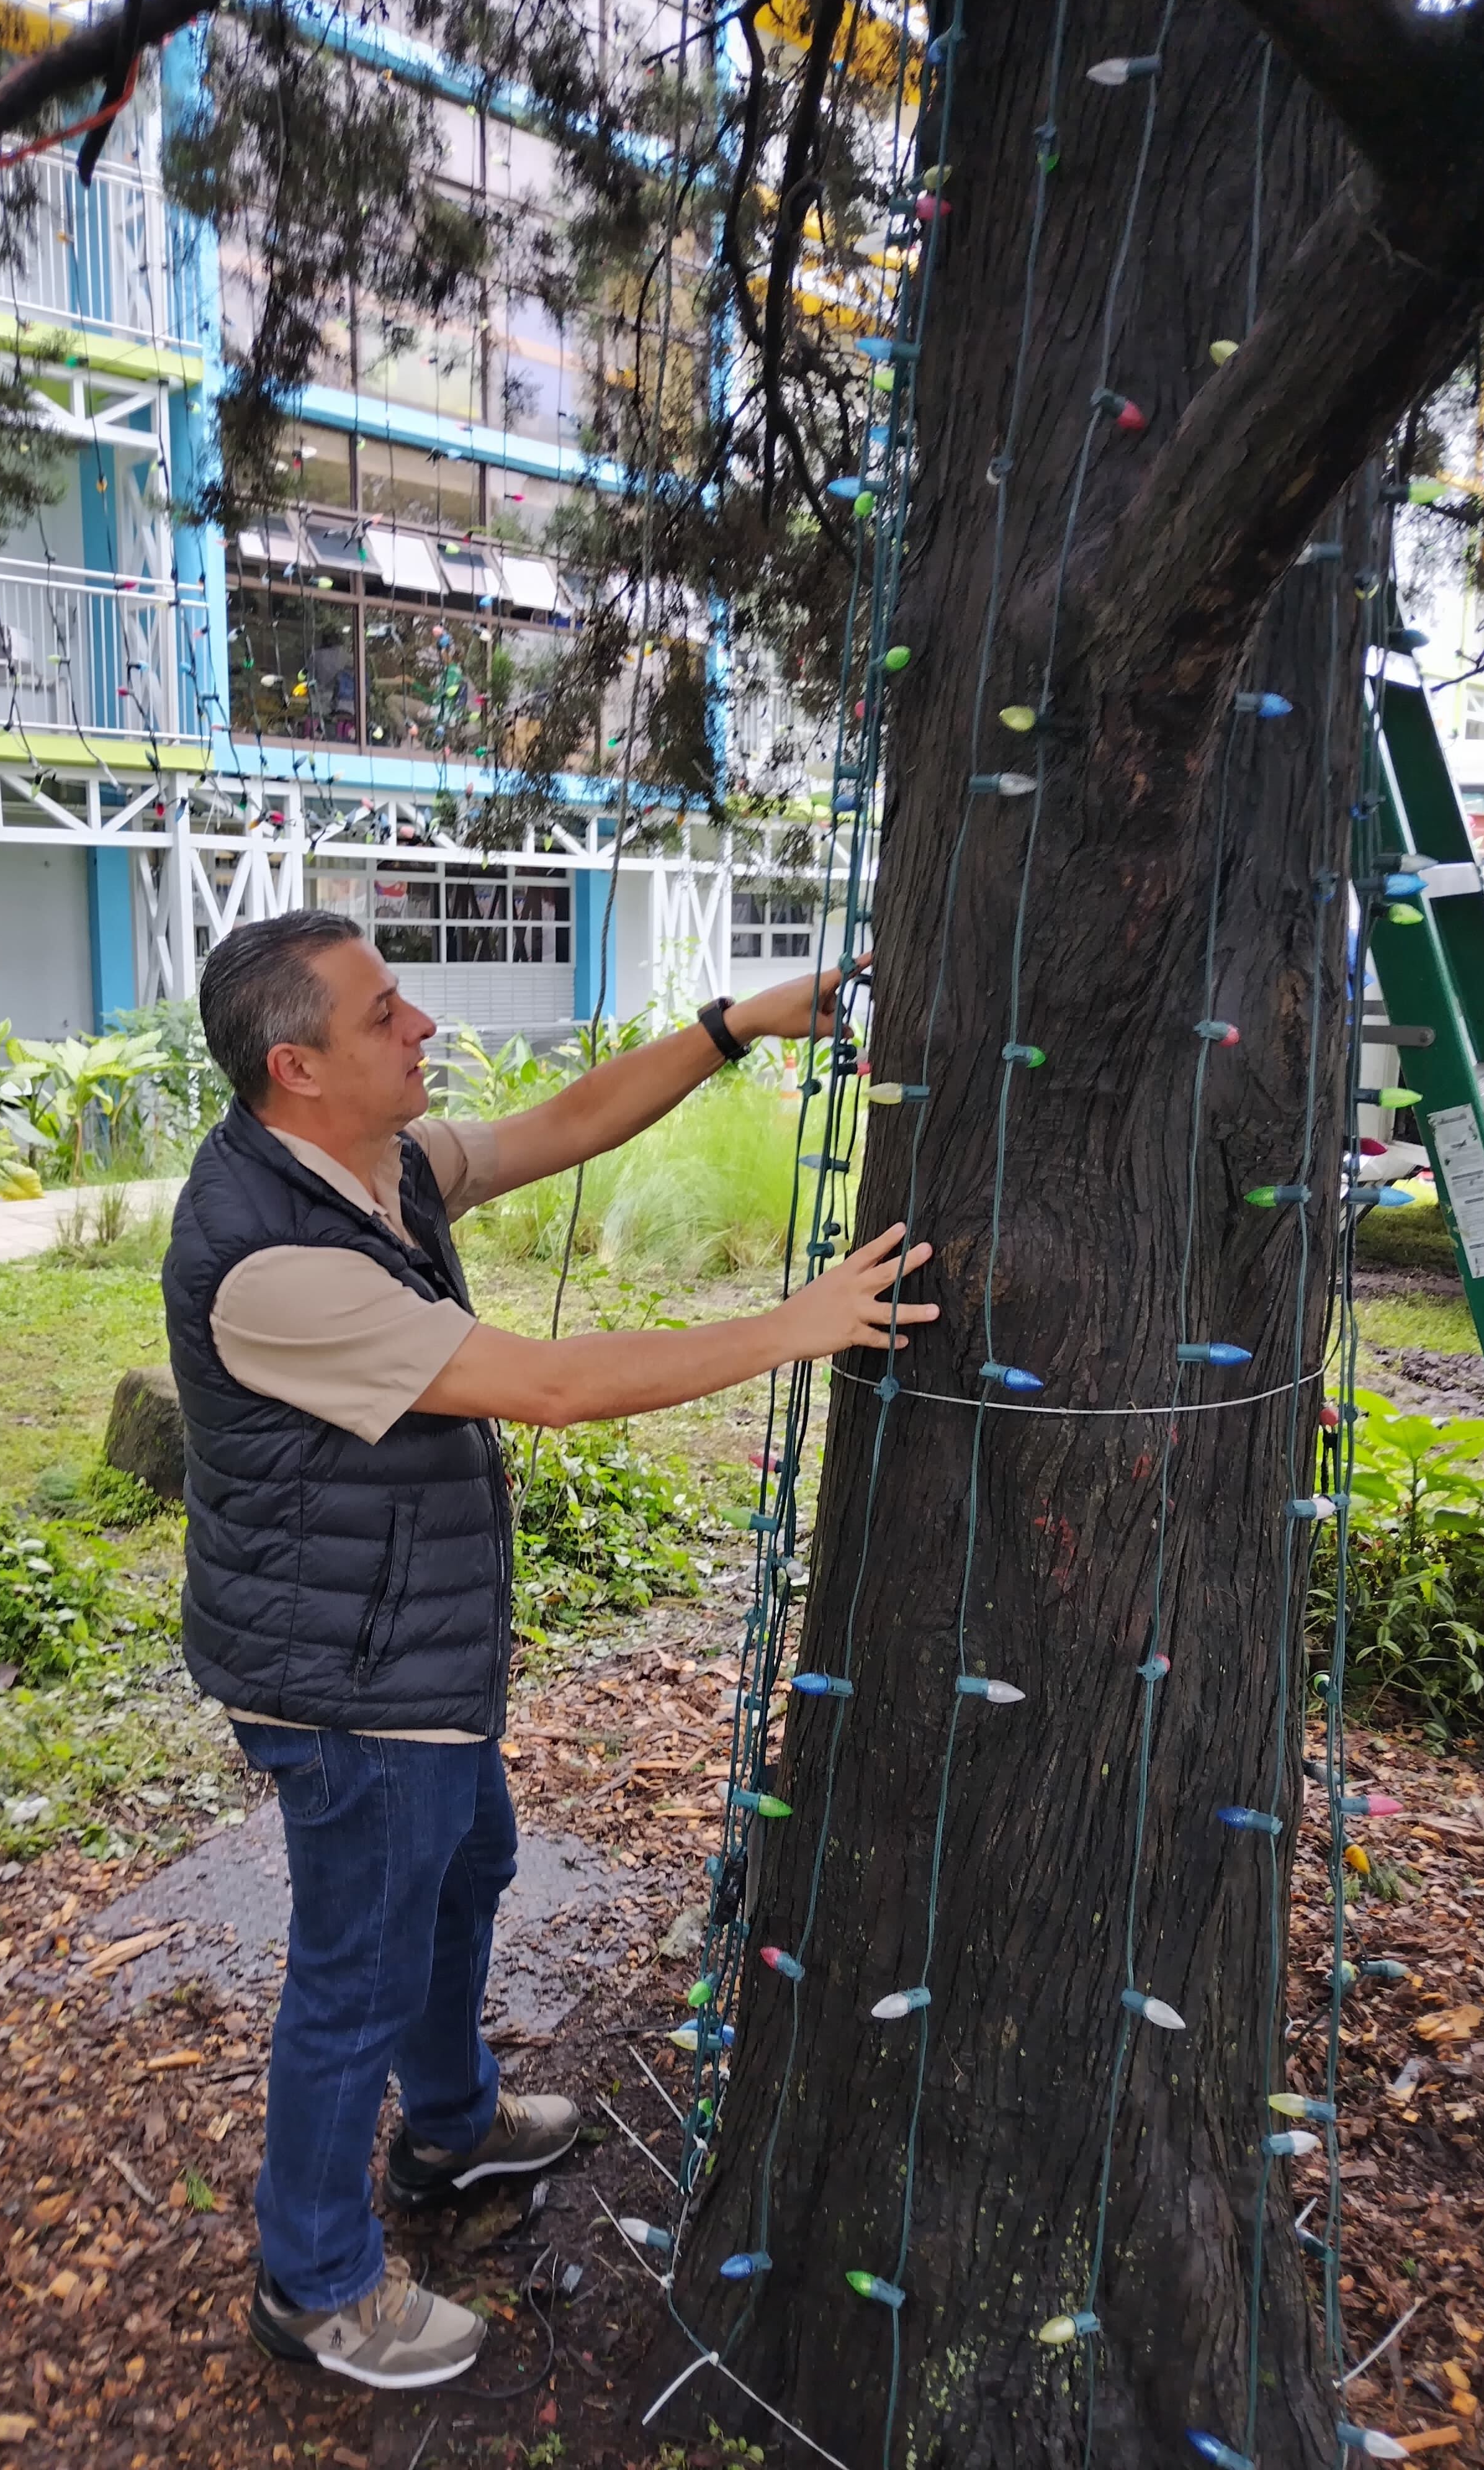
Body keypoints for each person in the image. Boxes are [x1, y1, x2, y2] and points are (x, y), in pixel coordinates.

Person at [164, 908, 936, 2391]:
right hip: (347, 1682)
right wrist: (798, 1324)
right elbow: (557, 1384)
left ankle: (449, 2127)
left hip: (412, 1654)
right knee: (355, 1973)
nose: (423, 1025)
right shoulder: (272, 1260)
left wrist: (734, 1024)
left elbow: (559, 1125)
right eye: (384, 1013)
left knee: (465, 1875)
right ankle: (314, 2281)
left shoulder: (366, 1166)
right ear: (295, 1065)